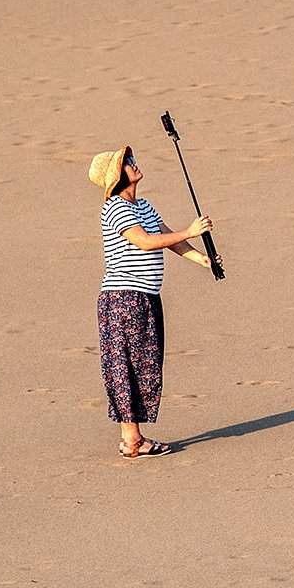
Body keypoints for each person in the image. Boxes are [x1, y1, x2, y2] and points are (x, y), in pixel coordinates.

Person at [85, 145, 214, 457]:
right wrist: (191, 229)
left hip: (145, 298)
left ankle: (133, 438)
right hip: (122, 300)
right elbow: (144, 242)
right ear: (117, 176)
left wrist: (202, 259)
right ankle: (132, 441)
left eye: (131, 159)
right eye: (127, 163)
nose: (133, 163)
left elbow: (169, 239)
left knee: (146, 365)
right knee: (125, 365)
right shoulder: (114, 208)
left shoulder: (144, 206)